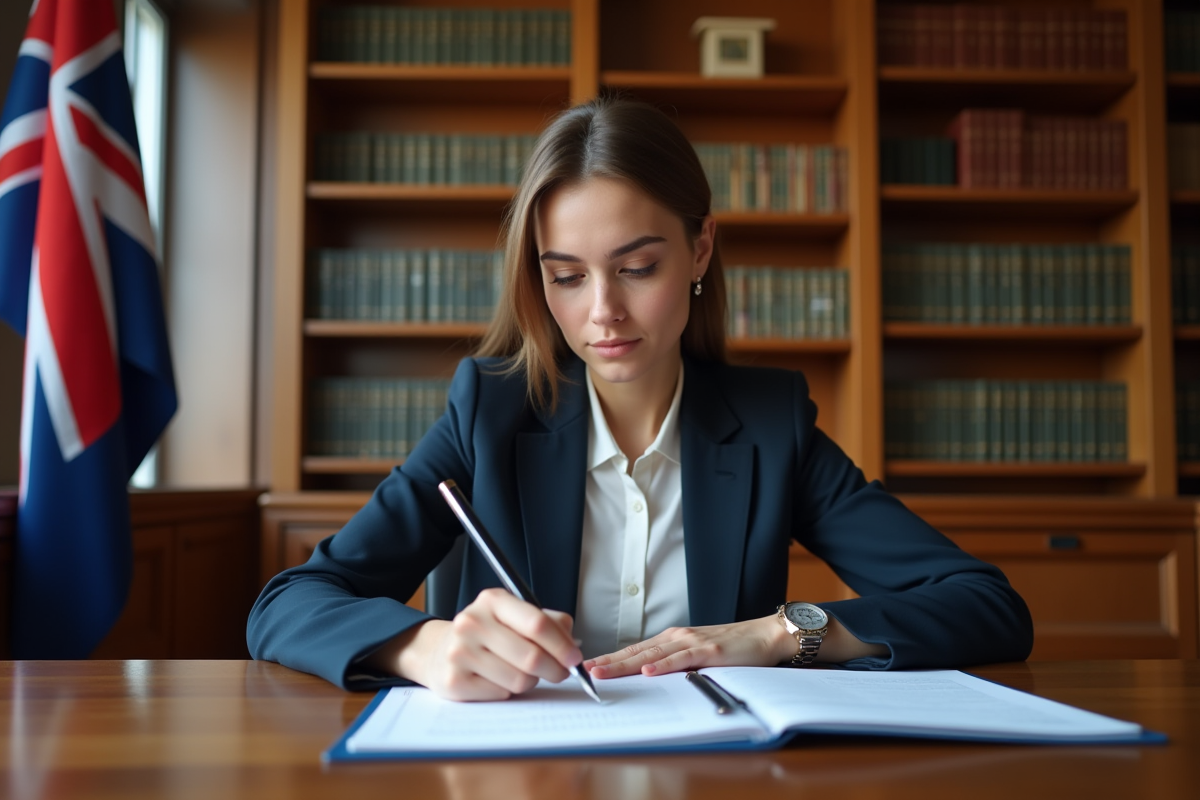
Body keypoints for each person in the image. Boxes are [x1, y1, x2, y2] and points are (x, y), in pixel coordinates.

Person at [247, 97, 1033, 699]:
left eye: (637, 267)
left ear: (699, 249)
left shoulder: (768, 425)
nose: (602, 314)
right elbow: (289, 602)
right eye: (566, 276)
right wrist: (422, 647)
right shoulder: (488, 413)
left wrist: (776, 635)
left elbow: (985, 605)